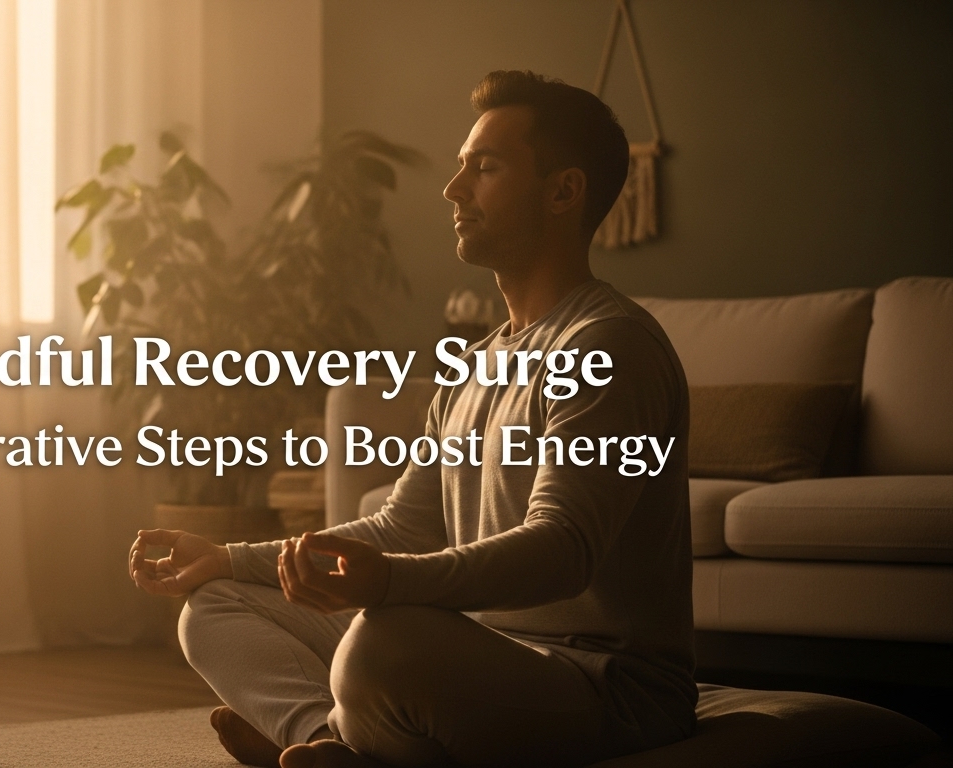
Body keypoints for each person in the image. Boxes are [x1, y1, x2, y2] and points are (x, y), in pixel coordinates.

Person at [129, 70, 696, 768]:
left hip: (599, 687)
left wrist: (389, 584)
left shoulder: (608, 345)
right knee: (213, 605)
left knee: (384, 639)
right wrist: (232, 558)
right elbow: (403, 525)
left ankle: (338, 740)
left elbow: (562, 551)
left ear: (563, 191)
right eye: (460, 170)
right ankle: (323, 739)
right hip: (478, 649)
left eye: (484, 169)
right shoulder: (476, 364)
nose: (454, 192)